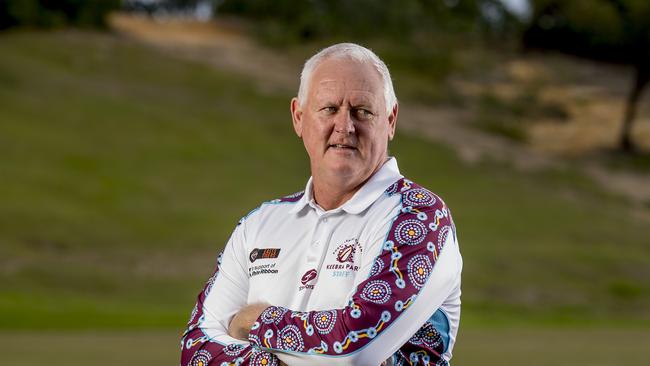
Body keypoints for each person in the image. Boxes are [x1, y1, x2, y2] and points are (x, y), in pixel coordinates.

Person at [180, 43, 462, 366]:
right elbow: (197, 350)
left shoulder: (421, 217)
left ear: (391, 120)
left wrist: (254, 319)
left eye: (363, 111)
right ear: (299, 118)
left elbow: (352, 350)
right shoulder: (258, 224)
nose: (345, 126)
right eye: (329, 108)